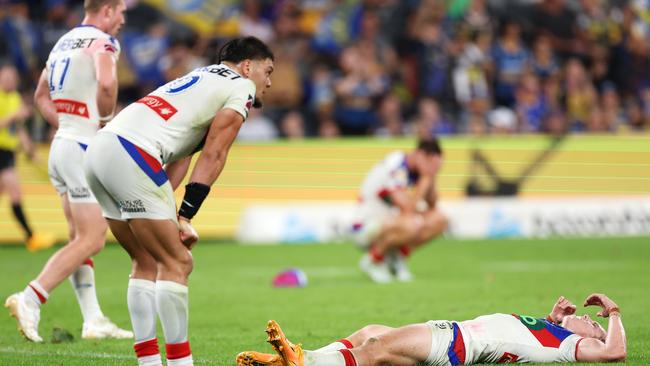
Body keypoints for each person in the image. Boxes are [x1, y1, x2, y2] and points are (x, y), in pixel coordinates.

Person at [83, 36, 274, 366]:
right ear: (247, 66)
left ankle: (148, 362)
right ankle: (180, 363)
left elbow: (181, 154)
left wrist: (174, 215)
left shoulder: (200, 77)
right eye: (267, 71)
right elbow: (215, 153)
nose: (268, 82)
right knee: (178, 263)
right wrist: (186, 216)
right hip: (134, 154)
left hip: (101, 151)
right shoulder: (241, 87)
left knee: (144, 259)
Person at [5, 0, 132, 343]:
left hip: (62, 147)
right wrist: (103, 124)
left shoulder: (62, 42)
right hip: (82, 149)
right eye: (120, 12)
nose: (122, 21)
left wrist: (67, 124)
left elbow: (39, 95)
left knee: (81, 238)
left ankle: (93, 320)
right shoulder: (104, 42)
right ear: (107, 10)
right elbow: (107, 86)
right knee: (92, 238)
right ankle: (31, 297)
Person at [237, 293, 626, 366]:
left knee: (374, 348)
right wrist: (554, 318)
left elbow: (614, 352)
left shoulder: (571, 347)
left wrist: (612, 312)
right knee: (370, 331)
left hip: (458, 342)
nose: (590, 319)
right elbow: (528, 340)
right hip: (456, 338)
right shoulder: (556, 335)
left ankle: (304, 363)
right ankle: (299, 359)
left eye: (594, 325)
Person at [351, 138, 448, 283]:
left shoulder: (418, 173)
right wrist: (426, 178)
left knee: (439, 219)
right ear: (420, 155)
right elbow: (408, 208)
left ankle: (396, 259)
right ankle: (373, 261)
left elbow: (432, 205)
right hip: (364, 225)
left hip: (389, 222)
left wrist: (431, 178)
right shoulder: (397, 164)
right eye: (430, 164)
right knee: (412, 222)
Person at [0, 64, 56, 251]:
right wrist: (14, 115)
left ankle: (31, 237)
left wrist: (30, 149)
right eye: (6, 77)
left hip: (8, 152)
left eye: (12, 78)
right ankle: (31, 237)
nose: (10, 81)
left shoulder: (15, 98)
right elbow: (9, 121)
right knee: (15, 193)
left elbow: (17, 128)